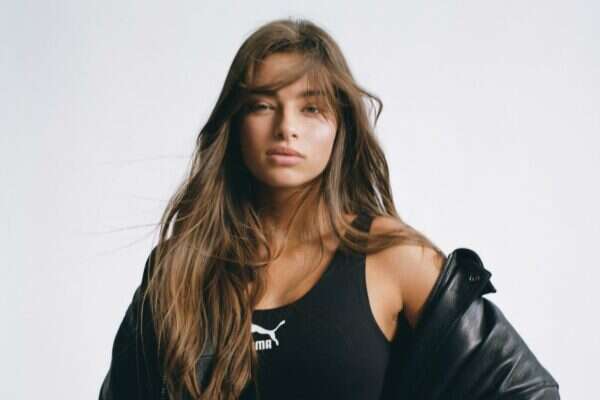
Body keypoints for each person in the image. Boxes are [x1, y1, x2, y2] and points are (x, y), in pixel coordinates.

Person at [99, 18, 560, 400]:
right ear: (235, 124)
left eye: (311, 109)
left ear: (341, 126)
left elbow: (528, 393)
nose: (286, 128)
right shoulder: (180, 267)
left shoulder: (393, 259)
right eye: (262, 105)